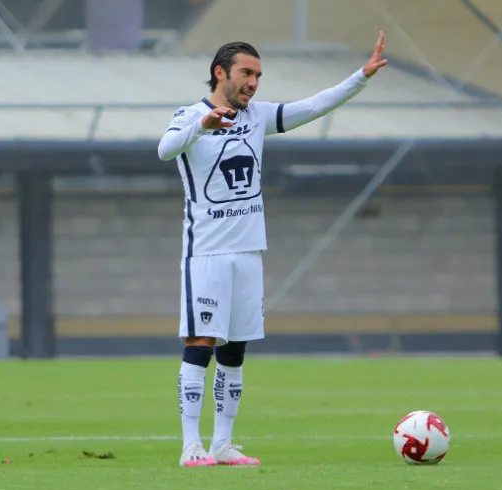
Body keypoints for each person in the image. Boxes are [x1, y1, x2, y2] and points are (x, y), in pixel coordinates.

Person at [157, 32, 388, 467]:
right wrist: (201, 127)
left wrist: (361, 77)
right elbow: (165, 149)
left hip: (249, 252)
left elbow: (315, 105)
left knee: (235, 349)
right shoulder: (190, 114)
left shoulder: (258, 116)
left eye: (258, 75)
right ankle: (192, 447)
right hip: (206, 253)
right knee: (201, 343)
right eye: (246, 73)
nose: (254, 83)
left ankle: (223, 444)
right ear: (220, 73)